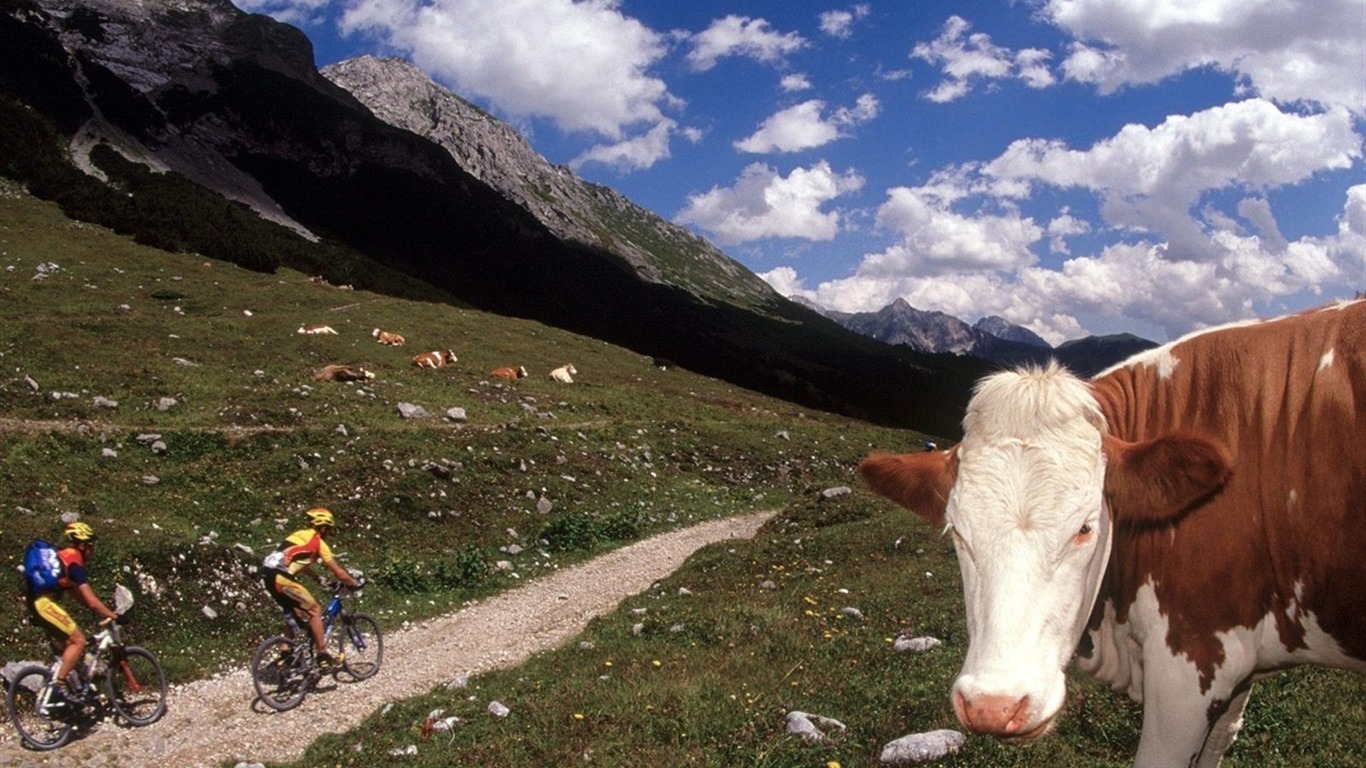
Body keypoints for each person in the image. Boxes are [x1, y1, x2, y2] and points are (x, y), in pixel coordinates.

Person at [25, 521, 119, 704]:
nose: (93, 550)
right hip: (43, 605)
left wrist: (100, 611)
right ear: (82, 545)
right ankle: (58, 687)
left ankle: (73, 693)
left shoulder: (64, 558)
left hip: (39, 603)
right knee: (79, 641)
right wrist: (114, 615)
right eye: (91, 545)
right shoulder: (75, 563)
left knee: (72, 647)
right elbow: (91, 601)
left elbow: (78, 596)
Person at [260, 508, 362, 669]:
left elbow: (297, 560)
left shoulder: (297, 535)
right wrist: (353, 583)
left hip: (267, 576)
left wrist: (316, 578)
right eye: (328, 529)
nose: (329, 532)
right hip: (281, 577)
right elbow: (338, 572)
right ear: (323, 527)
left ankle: (286, 653)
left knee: (295, 611)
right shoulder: (319, 543)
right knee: (315, 610)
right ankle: (322, 655)